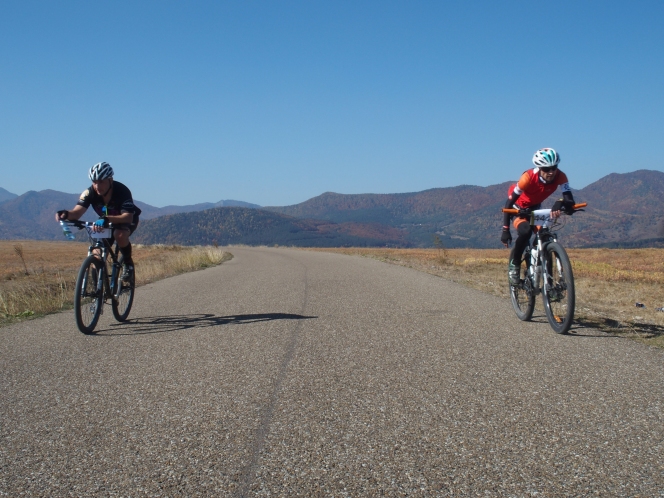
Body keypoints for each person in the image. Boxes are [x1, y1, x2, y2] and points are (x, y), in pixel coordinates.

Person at [501, 148, 576, 286]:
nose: (551, 172)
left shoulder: (561, 176)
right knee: (526, 231)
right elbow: (508, 203)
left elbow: (569, 199)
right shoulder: (528, 178)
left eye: (554, 168)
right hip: (518, 209)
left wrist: (559, 203)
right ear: (540, 168)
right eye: (547, 169)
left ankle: (549, 284)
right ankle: (515, 264)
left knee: (545, 236)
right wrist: (505, 230)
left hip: (535, 209)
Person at [55, 162, 141, 280]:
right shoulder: (89, 193)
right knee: (97, 255)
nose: (97, 186)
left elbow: (128, 216)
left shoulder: (122, 191)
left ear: (110, 180)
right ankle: (99, 293)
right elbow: (77, 212)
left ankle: (128, 264)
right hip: (104, 221)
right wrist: (66, 214)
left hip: (126, 219)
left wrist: (107, 218)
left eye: (101, 182)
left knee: (119, 235)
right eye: (94, 182)